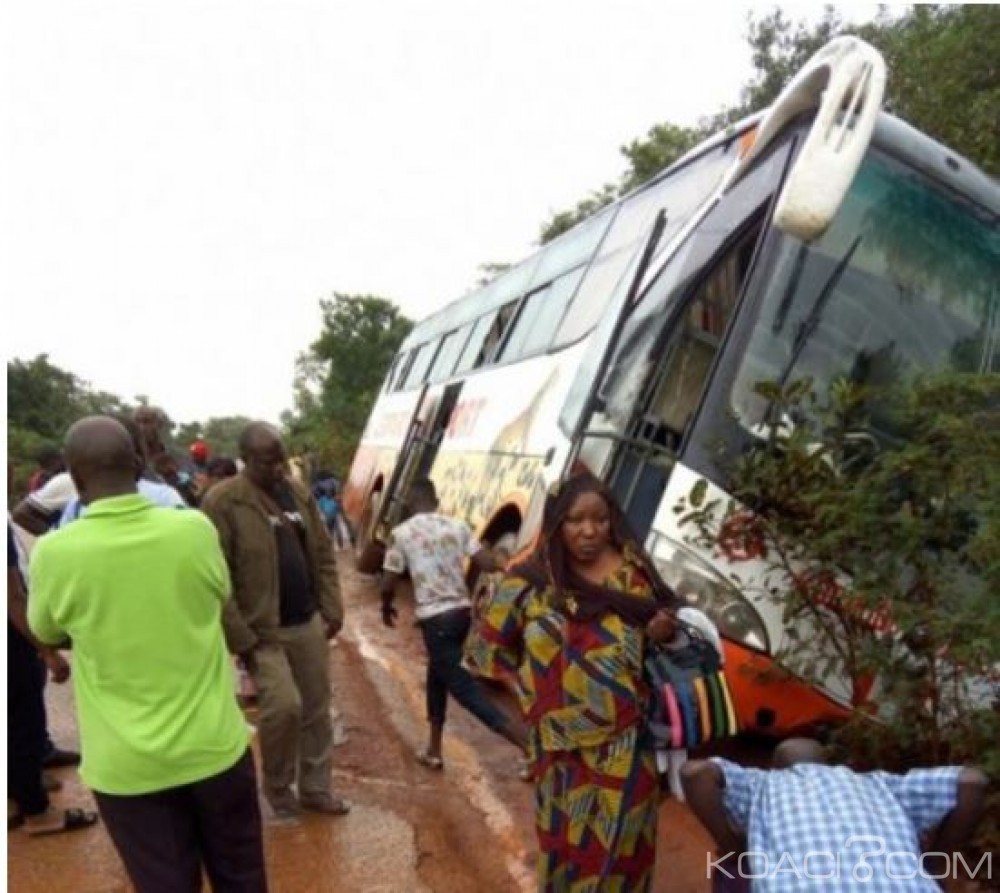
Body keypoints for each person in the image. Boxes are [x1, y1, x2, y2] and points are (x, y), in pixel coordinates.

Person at [27, 417, 267, 891]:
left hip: (127, 769)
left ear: (73, 478)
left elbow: (46, 630)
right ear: (138, 466)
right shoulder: (193, 530)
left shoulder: (54, 553)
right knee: (242, 879)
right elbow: (217, 596)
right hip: (214, 749)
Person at [465, 471, 679, 891]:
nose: (589, 531)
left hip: (626, 747)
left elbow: (670, 633)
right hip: (559, 756)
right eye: (576, 520)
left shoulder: (633, 575)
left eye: (600, 519)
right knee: (567, 857)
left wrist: (664, 632)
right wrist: (527, 719)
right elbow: (484, 659)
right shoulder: (528, 583)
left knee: (622, 862)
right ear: (556, 523)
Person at [201, 421, 349, 822]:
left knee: (316, 709)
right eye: (267, 462)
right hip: (261, 632)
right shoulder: (223, 502)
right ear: (245, 459)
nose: (277, 468)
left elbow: (323, 554)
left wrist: (332, 609)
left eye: (280, 459)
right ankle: (278, 786)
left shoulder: (297, 493)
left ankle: (316, 788)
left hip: (306, 621)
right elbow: (217, 577)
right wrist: (239, 636)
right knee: (284, 707)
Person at [681, 738, 989, 892]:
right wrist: (936, 862)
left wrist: (733, 848)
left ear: (776, 767)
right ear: (825, 764)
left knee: (729, 869)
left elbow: (694, 773)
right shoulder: (880, 784)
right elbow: (972, 782)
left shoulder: (762, 784)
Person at [379, 478, 528, 769]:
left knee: (466, 692)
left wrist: (386, 606)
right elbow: (488, 564)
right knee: (437, 678)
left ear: (408, 505)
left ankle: (530, 749)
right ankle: (434, 750)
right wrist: (498, 555)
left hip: (437, 622)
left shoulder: (401, 533)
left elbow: (388, 581)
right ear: (436, 502)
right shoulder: (457, 526)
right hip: (461, 616)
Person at [7, 521, 96, 837]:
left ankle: (15, 793)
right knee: (22, 720)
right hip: (12, 641)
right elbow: (12, 595)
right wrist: (47, 651)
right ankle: (36, 810)